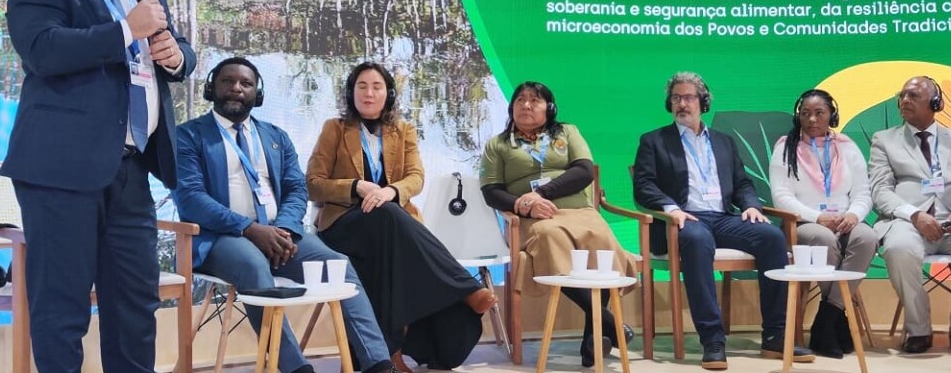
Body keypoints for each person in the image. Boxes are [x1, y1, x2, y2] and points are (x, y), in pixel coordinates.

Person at [1, 0, 196, 372]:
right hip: (60, 172)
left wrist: (177, 58)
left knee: (136, 308)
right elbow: (43, 51)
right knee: (62, 308)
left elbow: (177, 51)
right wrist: (127, 29)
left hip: (131, 171)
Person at [175, 57, 392, 373]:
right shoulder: (188, 136)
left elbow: (296, 189)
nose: (237, 88)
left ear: (258, 93)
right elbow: (191, 199)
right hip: (221, 237)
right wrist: (250, 229)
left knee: (338, 264)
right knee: (252, 264)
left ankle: (379, 364)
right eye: (227, 81)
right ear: (211, 88)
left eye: (246, 83)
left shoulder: (276, 137)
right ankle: (296, 368)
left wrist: (285, 229)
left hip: (278, 233)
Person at [307, 61, 496, 370]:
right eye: (362, 87)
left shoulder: (403, 130)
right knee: (388, 217)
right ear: (351, 93)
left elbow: (415, 177)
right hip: (344, 225)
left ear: (389, 94)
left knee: (389, 234)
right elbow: (313, 184)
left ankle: (392, 350)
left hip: (390, 230)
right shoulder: (334, 128)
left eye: (376, 87)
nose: (369, 93)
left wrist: (391, 192)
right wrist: (356, 187)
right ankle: (465, 287)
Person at [633, 72, 813, 370]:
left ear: (703, 102)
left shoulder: (723, 142)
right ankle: (713, 339)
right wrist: (671, 208)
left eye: (688, 97)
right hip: (684, 219)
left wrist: (751, 205)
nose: (681, 104)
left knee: (771, 238)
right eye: (676, 98)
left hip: (722, 217)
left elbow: (742, 183)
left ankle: (775, 335)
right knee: (697, 240)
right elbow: (643, 185)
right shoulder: (654, 141)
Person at [479, 81, 636, 368]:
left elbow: (584, 171)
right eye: (520, 100)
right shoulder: (498, 144)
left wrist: (540, 194)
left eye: (535, 100)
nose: (526, 105)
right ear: (511, 107)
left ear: (549, 108)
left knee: (600, 239)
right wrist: (523, 205)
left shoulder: (567, 132)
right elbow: (490, 191)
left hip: (579, 211)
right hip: (532, 219)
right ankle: (609, 323)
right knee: (550, 238)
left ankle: (592, 340)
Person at [869, 75, 951, 355]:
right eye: (902, 95)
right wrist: (915, 215)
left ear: (936, 103)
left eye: (914, 96)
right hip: (909, 223)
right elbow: (880, 190)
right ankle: (918, 328)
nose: (905, 101)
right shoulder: (885, 140)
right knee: (898, 248)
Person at [770, 89, 876, 359]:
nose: (812, 119)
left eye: (819, 113)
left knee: (867, 238)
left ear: (832, 115)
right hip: (804, 224)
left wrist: (854, 215)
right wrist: (817, 217)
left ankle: (827, 318)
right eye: (805, 113)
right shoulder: (785, 147)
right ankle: (835, 322)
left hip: (845, 220)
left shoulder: (847, 146)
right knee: (824, 239)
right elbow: (781, 197)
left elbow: (863, 192)